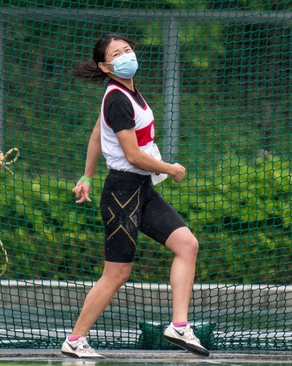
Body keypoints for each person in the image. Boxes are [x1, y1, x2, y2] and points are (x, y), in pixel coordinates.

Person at [60, 33, 209, 359]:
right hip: (121, 194)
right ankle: (75, 339)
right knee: (117, 274)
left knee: (187, 245)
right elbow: (132, 156)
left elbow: (97, 134)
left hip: (142, 190)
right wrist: (170, 169)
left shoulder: (129, 93)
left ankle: (179, 325)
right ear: (105, 66)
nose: (126, 55)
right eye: (117, 53)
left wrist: (86, 177)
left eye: (127, 49)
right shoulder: (117, 99)